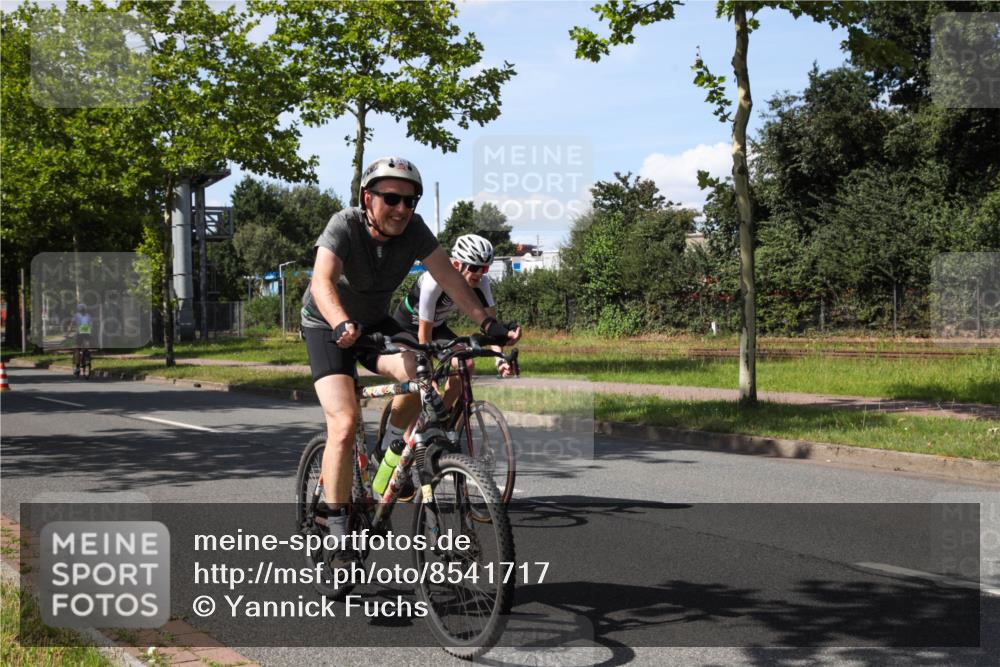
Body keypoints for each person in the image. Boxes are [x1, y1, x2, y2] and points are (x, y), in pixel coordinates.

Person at [300, 157, 517, 567]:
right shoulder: (344, 224)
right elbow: (321, 280)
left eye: (410, 201)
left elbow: (451, 278)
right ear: (368, 198)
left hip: (373, 324)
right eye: (391, 199)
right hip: (326, 324)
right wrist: (340, 320)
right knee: (344, 424)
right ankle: (335, 524)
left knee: (423, 372)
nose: (402, 209)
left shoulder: (414, 231)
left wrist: (487, 322)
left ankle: (391, 452)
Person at [385, 233, 522, 449]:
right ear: (457, 263)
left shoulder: (482, 282)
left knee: (466, 364)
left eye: (485, 268)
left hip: (436, 326)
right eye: (475, 267)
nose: (480, 273)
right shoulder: (434, 280)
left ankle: (433, 422)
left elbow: (491, 324)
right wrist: (428, 375)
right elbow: (424, 336)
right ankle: (397, 433)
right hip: (408, 328)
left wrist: (500, 359)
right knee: (422, 380)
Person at [71, 304, 93, 377]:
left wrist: (68, 333)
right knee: (86, 346)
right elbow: (91, 324)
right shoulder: (88, 316)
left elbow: (72, 324)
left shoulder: (76, 316)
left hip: (79, 333)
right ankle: (87, 356)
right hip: (87, 333)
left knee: (77, 349)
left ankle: (77, 366)